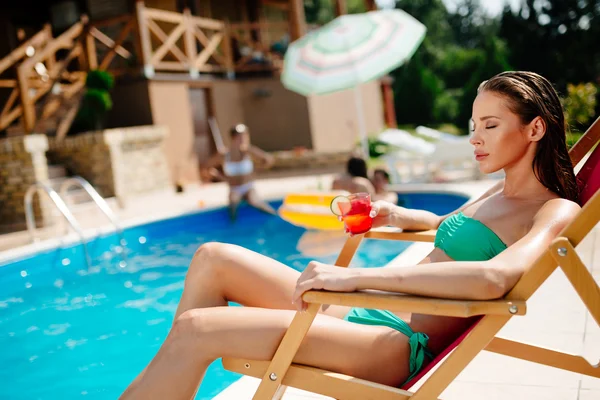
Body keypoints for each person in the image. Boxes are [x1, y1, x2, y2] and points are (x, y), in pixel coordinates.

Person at [120, 71, 581, 399]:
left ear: (535, 127)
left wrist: (355, 279)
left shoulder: (553, 210)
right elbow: (446, 226)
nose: (474, 138)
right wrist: (390, 212)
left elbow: (493, 279)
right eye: (472, 126)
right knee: (211, 256)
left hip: (393, 341)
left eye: (490, 125)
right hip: (368, 312)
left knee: (197, 329)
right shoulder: (493, 192)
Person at [203, 123, 277, 220]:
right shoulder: (224, 154)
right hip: (234, 188)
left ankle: (275, 217)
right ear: (233, 138)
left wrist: (256, 167)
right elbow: (206, 168)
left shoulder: (248, 151)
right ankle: (233, 229)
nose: (244, 139)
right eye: (240, 136)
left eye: (245, 136)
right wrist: (220, 177)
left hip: (248, 187)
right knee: (233, 205)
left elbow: (269, 160)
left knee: (256, 202)